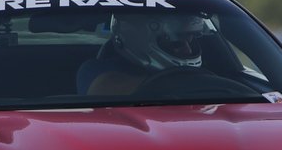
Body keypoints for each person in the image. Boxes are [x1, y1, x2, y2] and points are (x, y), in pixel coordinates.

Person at [77, 12, 213, 95]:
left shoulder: (214, 68)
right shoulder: (95, 71)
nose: (188, 50)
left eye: (191, 40)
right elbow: (104, 90)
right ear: (139, 38)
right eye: (176, 42)